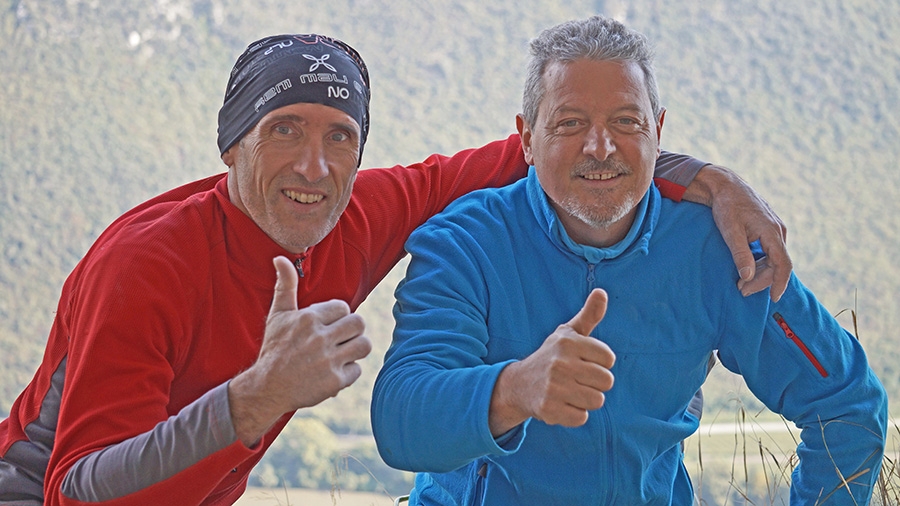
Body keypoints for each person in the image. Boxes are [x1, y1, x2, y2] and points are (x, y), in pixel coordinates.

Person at [0, 32, 788, 505]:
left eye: (340, 137)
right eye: (284, 131)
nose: (314, 166)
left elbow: (554, 151)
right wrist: (253, 401)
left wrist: (713, 181)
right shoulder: (145, 265)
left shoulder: (353, 213)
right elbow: (76, 489)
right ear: (231, 144)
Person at [370, 16, 888, 505]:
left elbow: (847, 404)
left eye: (626, 121)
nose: (601, 147)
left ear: (657, 132)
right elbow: (401, 423)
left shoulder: (713, 249)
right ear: (526, 138)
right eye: (570, 123)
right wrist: (515, 389)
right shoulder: (465, 243)